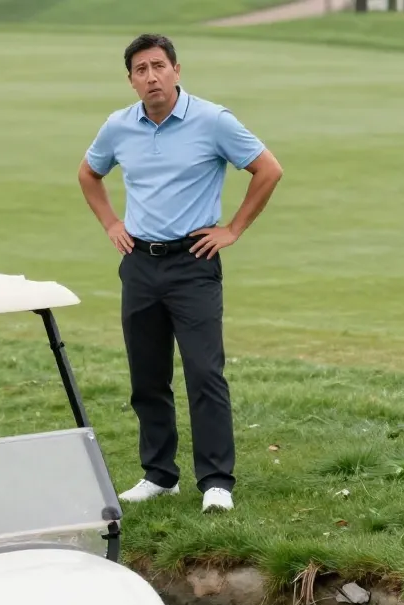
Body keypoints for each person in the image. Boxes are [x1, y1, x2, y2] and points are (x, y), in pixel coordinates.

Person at [77, 33, 282, 513]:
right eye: (141, 70)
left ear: (176, 70)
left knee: (205, 373)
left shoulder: (213, 120)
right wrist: (111, 223)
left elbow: (268, 169)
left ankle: (215, 482)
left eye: (159, 66)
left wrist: (233, 229)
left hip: (194, 263)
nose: (151, 76)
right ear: (130, 80)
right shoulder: (118, 126)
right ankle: (159, 475)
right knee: (147, 376)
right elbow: (89, 173)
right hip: (140, 265)